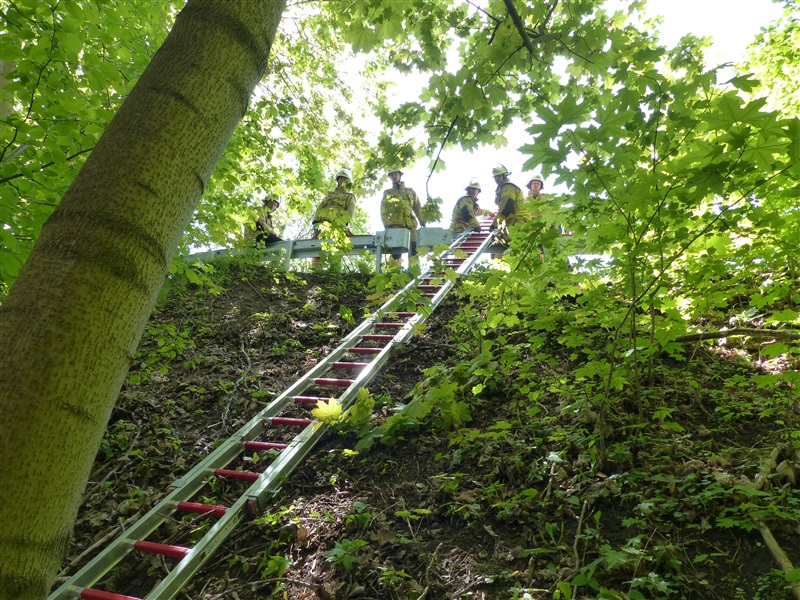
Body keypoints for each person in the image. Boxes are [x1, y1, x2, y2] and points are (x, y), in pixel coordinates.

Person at [380, 166, 424, 261]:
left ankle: (414, 269)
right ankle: (394, 269)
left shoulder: (411, 192)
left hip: (411, 224)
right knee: (396, 252)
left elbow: (417, 207)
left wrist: (421, 220)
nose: (394, 176)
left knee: (414, 249)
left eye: (396, 174)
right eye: (391, 175)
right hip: (395, 225)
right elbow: (383, 211)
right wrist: (386, 224)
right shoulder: (388, 193)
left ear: (400, 175)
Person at [312, 168, 357, 236]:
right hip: (323, 224)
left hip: (338, 225)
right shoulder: (329, 195)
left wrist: (343, 224)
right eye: (340, 179)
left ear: (348, 182)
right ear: (338, 180)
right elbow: (320, 209)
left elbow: (349, 213)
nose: (342, 181)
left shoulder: (350, 196)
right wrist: (316, 222)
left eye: (344, 179)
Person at [489, 164, 526, 244]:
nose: (496, 179)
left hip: (519, 221)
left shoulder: (508, 186)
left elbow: (507, 205)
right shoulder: (502, 188)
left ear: (504, 175)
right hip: (513, 221)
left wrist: (495, 223)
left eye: (498, 176)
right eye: (495, 177)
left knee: (517, 245)